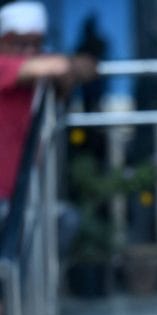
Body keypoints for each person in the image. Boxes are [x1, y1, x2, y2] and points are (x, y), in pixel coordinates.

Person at [0, 1, 96, 219]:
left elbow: (86, 66)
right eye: (18, 43)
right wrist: (64, 68)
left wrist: (66, 73)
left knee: (66, 221)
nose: (28, 51)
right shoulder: (8, 65)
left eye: (36, 43)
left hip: (23, 187)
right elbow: (54, 67)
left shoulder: (38, 70)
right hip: (5, 194)